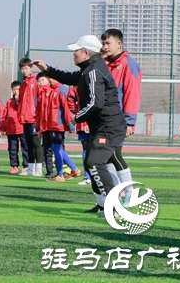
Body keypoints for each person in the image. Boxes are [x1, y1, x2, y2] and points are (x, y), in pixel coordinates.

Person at [33, 35, 126, 214]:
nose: (73, 54)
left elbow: (96, 103)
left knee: (94, 162)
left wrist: (77, 117)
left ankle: (115, 206)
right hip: (101, 126)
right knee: (91, 162)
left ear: (86, 53)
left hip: (109, 126)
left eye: (76, 50)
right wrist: (47, 69)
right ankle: (101, 204)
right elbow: (69, 77)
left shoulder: (93, 71)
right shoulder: (88, 69)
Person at [101, 29, 141, 205]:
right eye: (103, 43)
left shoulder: (129, 64)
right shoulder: (106, 64)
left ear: (119, 43)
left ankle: (131, 194)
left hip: (118, 120)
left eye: (108, 43)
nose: (105, 47)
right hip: (104, 119)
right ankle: (117, 195)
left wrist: (130, 121)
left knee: (114, 154)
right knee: (106, 157)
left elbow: (132, 94)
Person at [35, 72, 81, 182]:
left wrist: (71, 125)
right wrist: (41, 127)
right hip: (51, 126)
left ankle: (66, 172)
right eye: (49, 77)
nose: (50, 79)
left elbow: (67, 109)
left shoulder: (61, 89)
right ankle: (69, 171)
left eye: (52, 77)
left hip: (58, 125)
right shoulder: (51, 90)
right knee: (56, 149)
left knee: (56, 149)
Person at [18, 58, 44, 176]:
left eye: (26, 68)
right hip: (25, 118)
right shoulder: (23, 84)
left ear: (31, 68)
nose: (24, 71)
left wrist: (39, 115)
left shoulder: (36, 81)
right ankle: (30, 168)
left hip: (34, 118)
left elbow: (41, 99)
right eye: (22, 69)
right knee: (28, 144)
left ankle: (39, 169)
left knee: (36, 143)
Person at [68, 85, 91, 185]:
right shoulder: (76, 87)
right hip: (83, 122)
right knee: (86, 148)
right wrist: (76, 111)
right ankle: (88, 177)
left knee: (98, 150)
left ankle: (98, 178)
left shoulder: (97, 83)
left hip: (96, 123)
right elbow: (70, 98)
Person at [3, 81, 27, 175]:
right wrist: (3, 127)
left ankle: (26, 166)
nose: (16, 91)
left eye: (18, 89)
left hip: (22, 127)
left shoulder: (24, 100)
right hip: (11, 129)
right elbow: (4, 115)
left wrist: (18, 100)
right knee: (12, 149)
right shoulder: (9, 102)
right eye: (14, 89)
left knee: (25, 148)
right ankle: (14, 166)